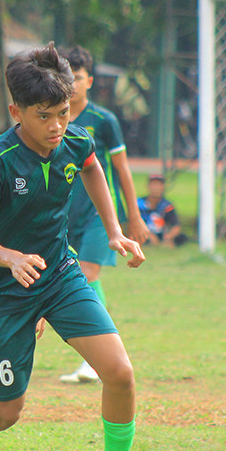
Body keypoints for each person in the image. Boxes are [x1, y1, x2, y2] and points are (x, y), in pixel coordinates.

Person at [0, 44, 169, 451]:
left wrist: (114, 231)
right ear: (15, 112)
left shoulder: (74, 139)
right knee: (6, 409)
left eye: (63, 113)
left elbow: (92, 167)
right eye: (44, 116)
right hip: (4, 291)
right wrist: (13, 258)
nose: (56, 127)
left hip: (59, 275)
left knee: (120, 372)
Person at [58, 46, 149, 384]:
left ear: (90, 81)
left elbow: (122, 171)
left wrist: (134, 217)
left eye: (78, 78)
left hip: (98, 215)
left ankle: (96, 358)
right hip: (64, 215)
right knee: (77, 278)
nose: (73, 85)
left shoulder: (103, 121)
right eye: (68, 79)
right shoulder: (51, 119)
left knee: (86, 274)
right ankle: (98, 353)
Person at [138, 174, 187, 247]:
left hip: (161, 234)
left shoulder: (167, 205)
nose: (155, 188)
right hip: (144, 233)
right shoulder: (139, 203)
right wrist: (149, 235)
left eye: (158, 185)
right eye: (153, 184)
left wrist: (169, 237)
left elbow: (176, 226)